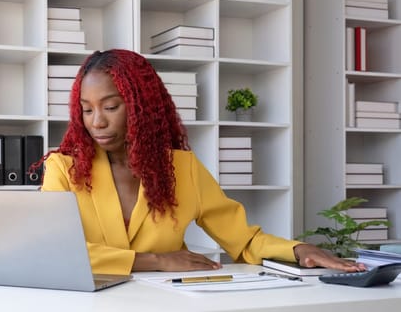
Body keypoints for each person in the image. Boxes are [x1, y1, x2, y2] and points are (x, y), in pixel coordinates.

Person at [38, 49, 365, 275]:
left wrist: (299, 250)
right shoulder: (63, 169)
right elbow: (53, 252)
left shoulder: (182, 169)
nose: (96, 122)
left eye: (110, 107)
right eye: (87, 108)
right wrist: (157, 260)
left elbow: (243, 240)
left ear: (141, 107)